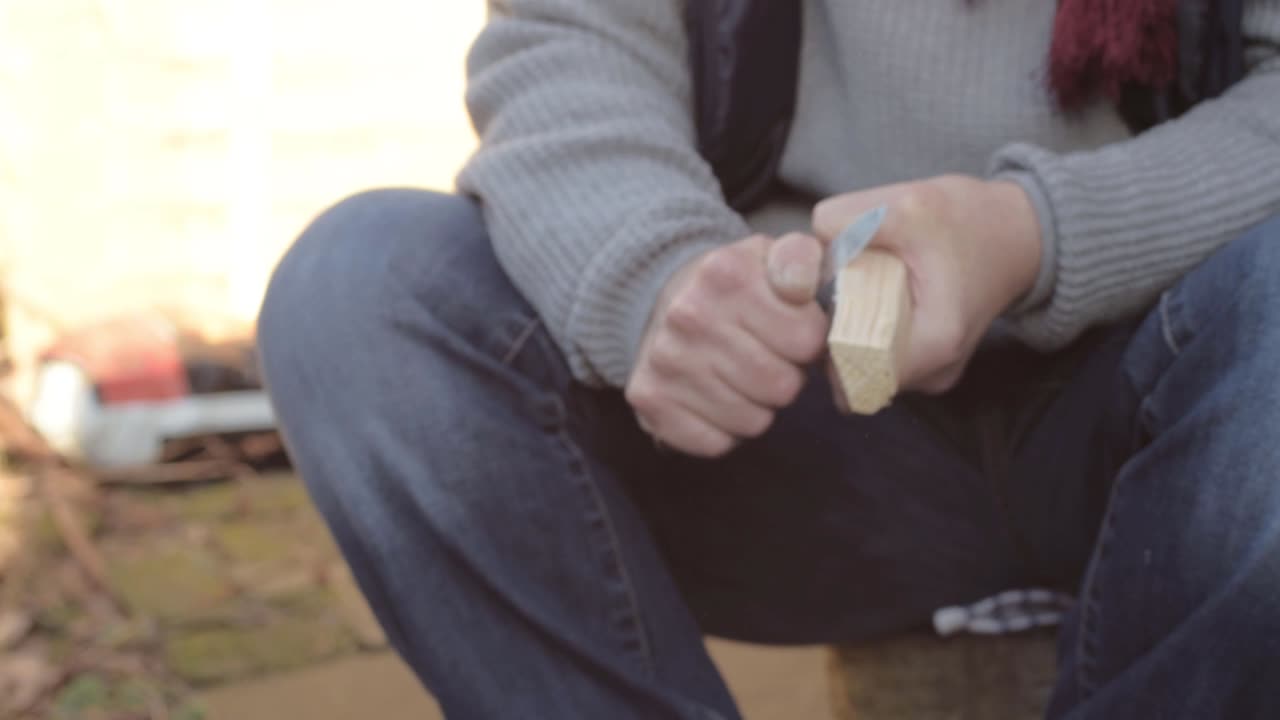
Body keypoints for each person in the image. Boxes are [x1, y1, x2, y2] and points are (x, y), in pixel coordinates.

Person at [257, 1, 1280, 717]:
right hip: (784, 420)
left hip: (1179, 423)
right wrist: (660, 284)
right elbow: (568, 42)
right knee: (362, 286)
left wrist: (1033, 235)